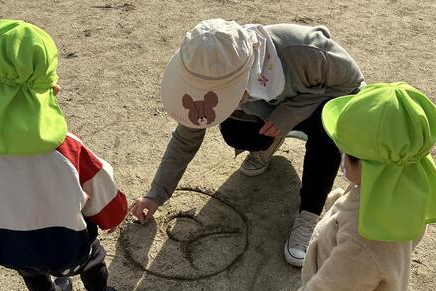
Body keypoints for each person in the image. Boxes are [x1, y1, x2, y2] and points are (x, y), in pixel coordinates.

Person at [131, 19, 365, 266]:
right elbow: (186, 137)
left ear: (249, 69)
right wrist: (157, 193)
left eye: (223, 92)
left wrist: (291, 113)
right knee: (236, 133)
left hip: (313, 106)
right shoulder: (207, 65)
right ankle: (270, 142)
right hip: (268, 113)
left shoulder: (304, 50)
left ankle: (309, 214)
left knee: (327, 132)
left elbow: (353, 85)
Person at [0, 19, 128, 291]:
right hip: (65, 246)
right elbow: (107, 205)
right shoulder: (68, 151)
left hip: (4, 245)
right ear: (48, 86)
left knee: (29, 268)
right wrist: (112, 217)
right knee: (92, 260)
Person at [284, 82, 436, 291]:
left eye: (348, 154)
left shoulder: (365, 241)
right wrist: (340, 202)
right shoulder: (400, 180)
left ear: (371, 168)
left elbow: (337, 287)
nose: (342, 159)